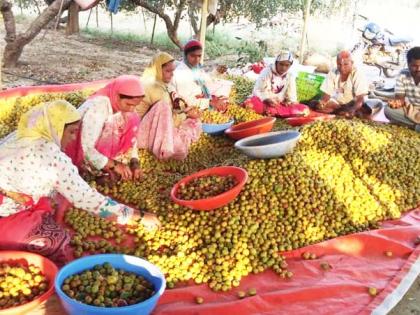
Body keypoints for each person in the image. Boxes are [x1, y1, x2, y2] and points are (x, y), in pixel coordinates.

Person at [0, 101, 160, 264]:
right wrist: (138, 216)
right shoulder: (52, 157)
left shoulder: (23, 135)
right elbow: (89, 200)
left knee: (50, 203)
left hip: (12, 194)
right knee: (56, 242)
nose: (73, 138)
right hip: (5, 211)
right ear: (57, 128)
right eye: (71, 132)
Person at [67, 75, 144, 182]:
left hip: (95, 150)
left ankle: (102, 164)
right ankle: (90, 170)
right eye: (129, 104)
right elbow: (86, 148)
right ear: (117, 96)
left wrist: (134, 163)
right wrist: (114, 165)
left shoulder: (124, 107)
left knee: (132, 118)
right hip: (75, 148)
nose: (131, 109)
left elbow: (132, 137)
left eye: (135, 105)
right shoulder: (99, 107)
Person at [137, 52, 202, 160]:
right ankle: (158, 147)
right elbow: (165, 114)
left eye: (173, 71)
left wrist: (185, 110)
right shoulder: (152, 86)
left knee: (195, 122)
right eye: (168, 71)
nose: (172, 74)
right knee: (179, 145)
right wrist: (186, 115)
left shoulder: (162, 83)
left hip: (159, 121)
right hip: (142, 130)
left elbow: (174, 104)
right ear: (157, 69)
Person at [247, 50, 309, 117]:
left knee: (303, 108)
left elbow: (292, 94)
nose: (283, 68)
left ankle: (273, 112)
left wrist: (290, 101)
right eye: (281, 64)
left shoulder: (290, 75)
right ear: (276, 63)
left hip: (279, 103)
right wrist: (266, 99)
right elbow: (257, 90)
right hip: (264, 101)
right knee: (251, 103)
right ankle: (276, 112)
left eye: (287, 65)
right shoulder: (266, 72)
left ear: (290, 65)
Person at [312, 51, 373, 118]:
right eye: (339, 64)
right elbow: (327, 94)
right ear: (336, 63)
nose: (342, 68)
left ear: (352, 63)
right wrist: (322, 103)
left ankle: (342, 112)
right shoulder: (333, 72)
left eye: (346, 64)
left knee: (363, 112)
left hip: (354, 104)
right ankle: (340, 112)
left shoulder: (357, 74)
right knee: (313, 104)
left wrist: (352, 110)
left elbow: (360, 99)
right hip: (338, 103)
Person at [172, 39, 227, 111]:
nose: (197, 59)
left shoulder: (196, 68)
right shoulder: (181, 73)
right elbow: (184, 102)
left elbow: (207, 79)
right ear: (185, 55)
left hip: (202, 103)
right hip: (190, 110)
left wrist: (216, 72)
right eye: (193, 56)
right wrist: (209, 102)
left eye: (199, 56)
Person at [385, 47, 420, 132]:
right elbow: (399, 98)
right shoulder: (402, 75)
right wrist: (396, 103)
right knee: (388, 110)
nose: (418, 69)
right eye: (415, 66)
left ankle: (412, 126)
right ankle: (416, 127)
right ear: (408, 64)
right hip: (412, 109)